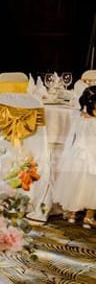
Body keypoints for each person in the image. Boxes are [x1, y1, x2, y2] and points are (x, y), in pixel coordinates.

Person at [54, 86, 96, 228]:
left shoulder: (77, 116)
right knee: (91, 188)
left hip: (76, 156)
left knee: (75, 184)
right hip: (92, 157)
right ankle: (88, 217)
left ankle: (72, 214)